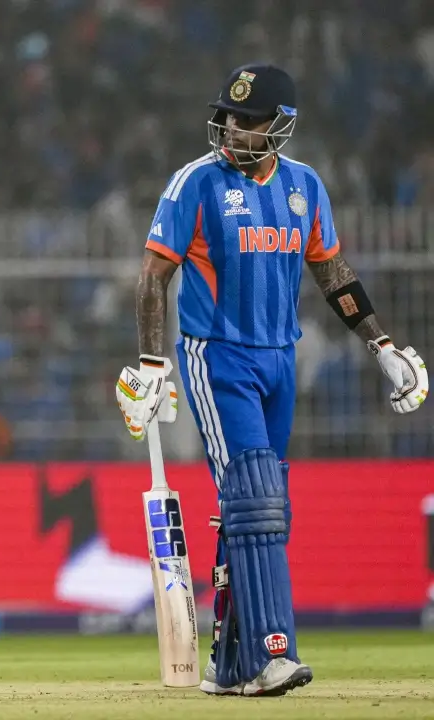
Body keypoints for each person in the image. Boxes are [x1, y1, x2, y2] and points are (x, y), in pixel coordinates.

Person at [115, 65, 428, 697]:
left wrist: (382, 344)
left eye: (250, 120)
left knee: (260, 508)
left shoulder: (305, 187)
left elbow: (333, 273)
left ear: (280, 126)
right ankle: (269, 654)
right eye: (230, 117)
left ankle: (229, 665)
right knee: (254, 498)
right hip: (217, 357)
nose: (235, 128)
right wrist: (151, 364)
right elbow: (153, 276)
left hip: (280, 358)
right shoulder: (195, 182)